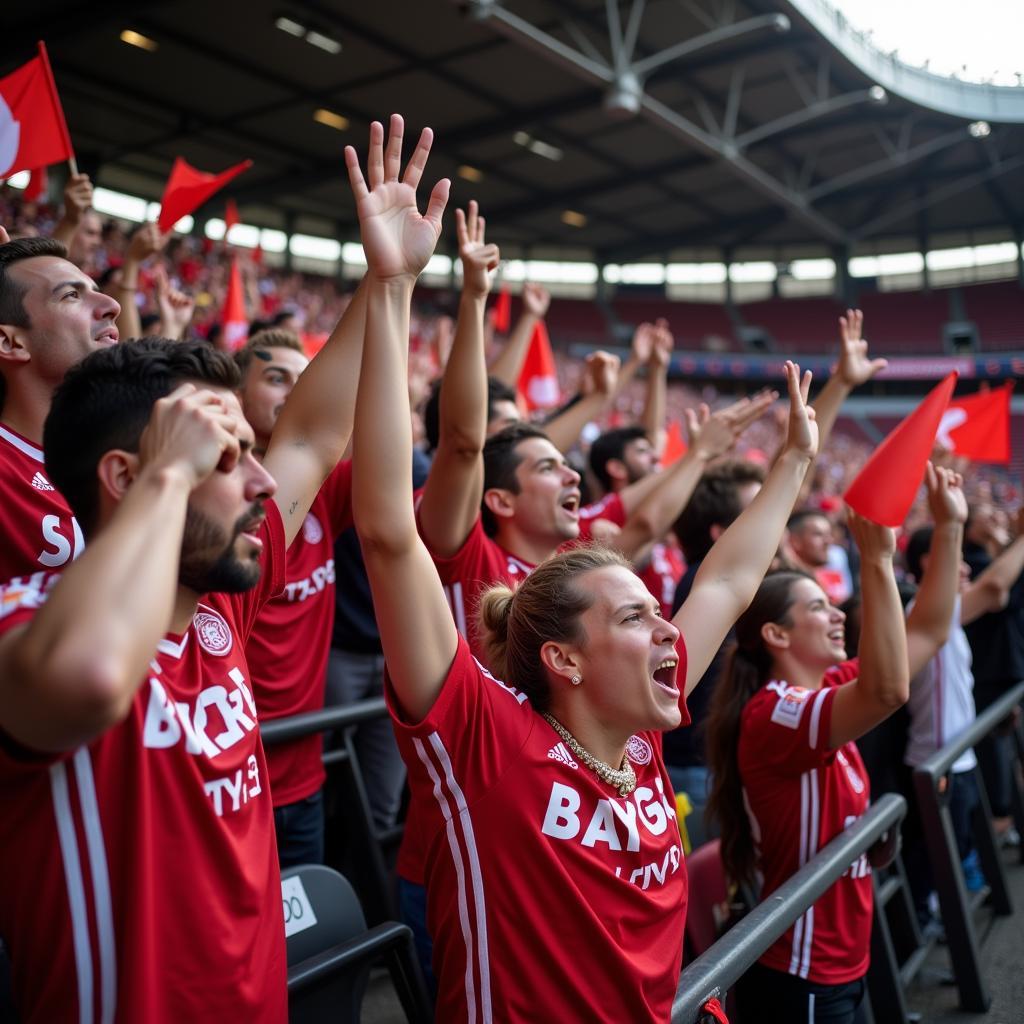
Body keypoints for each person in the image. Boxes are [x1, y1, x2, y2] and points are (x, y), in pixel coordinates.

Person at [344, 112, 820, 1020]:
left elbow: (723, 577)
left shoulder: (638, 737)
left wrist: (795, 461)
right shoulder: (487, 740)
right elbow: (389, 535)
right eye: (636, 618)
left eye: (652, 611)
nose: (667, 630)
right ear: (562, 659)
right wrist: (393, 287)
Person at [0, 200, 367, 1019]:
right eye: (228, 457)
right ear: (133, 477)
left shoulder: (213, 610)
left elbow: (311, 442)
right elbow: (95, 677)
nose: (265, 482)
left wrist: (387, 279)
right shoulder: (25, 625)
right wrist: (169, 477)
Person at [705, 464, 966, 1023]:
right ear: (775, 635)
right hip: (802, 969)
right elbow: (891, 689)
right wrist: (876, 560)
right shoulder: (775, 711)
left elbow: (927, 633)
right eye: (817, 607)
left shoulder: (826, 689)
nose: (834, 615)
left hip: (842, 955)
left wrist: (948, 529)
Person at [234, 326, 362, 867]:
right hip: (232, 786)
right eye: (276, 378)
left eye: (302, 380)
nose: (293, 391)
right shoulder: (212, 500)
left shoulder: (325, 494)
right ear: (235, 395)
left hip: (305, 777)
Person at [0, 234, 120, 579]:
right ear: (9, 341)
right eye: (71, 295)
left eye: (95, 288)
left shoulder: (126, 460)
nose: (113, 304)